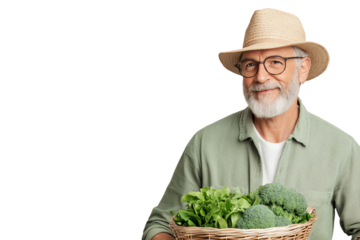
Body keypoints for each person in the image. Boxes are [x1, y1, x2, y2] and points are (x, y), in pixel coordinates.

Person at [142, 6, 360, 240]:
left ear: (303, 69)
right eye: (250, 65)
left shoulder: (342, 146)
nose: (260, 77)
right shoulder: (204, 142)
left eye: (276, 62)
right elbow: (159, 224)